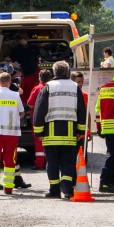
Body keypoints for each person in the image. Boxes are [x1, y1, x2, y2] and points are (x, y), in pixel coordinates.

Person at [32, 60, 86, 199]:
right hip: (70, 133)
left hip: (50, 133)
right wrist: (81, 130)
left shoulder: (48, 87)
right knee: (68, 162)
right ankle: (67, 190)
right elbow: (81, 110)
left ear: (54, 72)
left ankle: (54, 190)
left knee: (52, 162)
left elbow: (39, 110)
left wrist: (38, 131)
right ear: (68, 72)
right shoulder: (75, 87)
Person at [27, 67, 54, 171]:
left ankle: (39, 164)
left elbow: (30, 104)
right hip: (51, 118)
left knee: (39, 143)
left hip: (38, 119)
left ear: (39, 78)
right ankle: (51, 162)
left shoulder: (37, 89)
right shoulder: (53, 88)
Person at [10, 33, 41, 99]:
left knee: (32, 92)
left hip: (33, 74)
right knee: (22, 93)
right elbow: (11, 60)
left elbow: (38, 59)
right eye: (21, 38)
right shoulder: (16, 50)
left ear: (27, 39)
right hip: (21, 74)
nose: (23, 39)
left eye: (24, 38)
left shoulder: (33, 49)